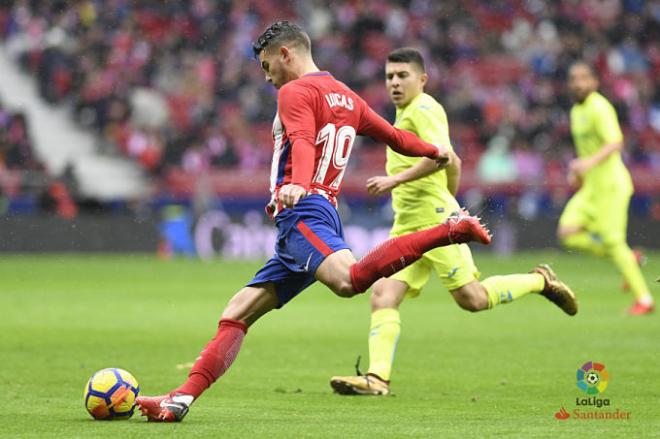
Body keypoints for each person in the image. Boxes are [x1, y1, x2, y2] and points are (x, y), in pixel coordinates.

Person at [135, 22, 492, 422]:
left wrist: (299, 185)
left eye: (268, 65)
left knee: (349, 281)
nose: (267, 76)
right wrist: (433, 151)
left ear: (286, 54)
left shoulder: (295, 91)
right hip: (305, 223)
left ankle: (449, 231)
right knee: (236, 312)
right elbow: (393, 136)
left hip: (304, 212)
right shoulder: (346, 96)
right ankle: (179, 401)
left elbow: (302, 139)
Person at [329, 48, 577, 396]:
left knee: (472, 299)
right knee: (383, 295)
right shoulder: (404, 114)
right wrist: (450, 198)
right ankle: (377, 379)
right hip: (409, 225)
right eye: (390, 77)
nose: (395, 83)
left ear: (422, 79)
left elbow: (443, 157)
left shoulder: (424, 108)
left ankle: (540, 281)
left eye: (403, 76)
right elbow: (455, 161)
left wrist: (403, 185)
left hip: (433, 223)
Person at [557, 61, 654, 315]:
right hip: (591, 187)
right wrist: (578, 172)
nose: (577, 83)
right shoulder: (577, 111)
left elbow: (616, 142)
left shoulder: (600, 107)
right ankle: (628, 259)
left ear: (594, 82)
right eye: (573, 78)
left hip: (611, 185)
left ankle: (644, 299)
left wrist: (587, 162)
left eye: (583, 78)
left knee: (613, 242)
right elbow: (585, 150)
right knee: (567, 232)